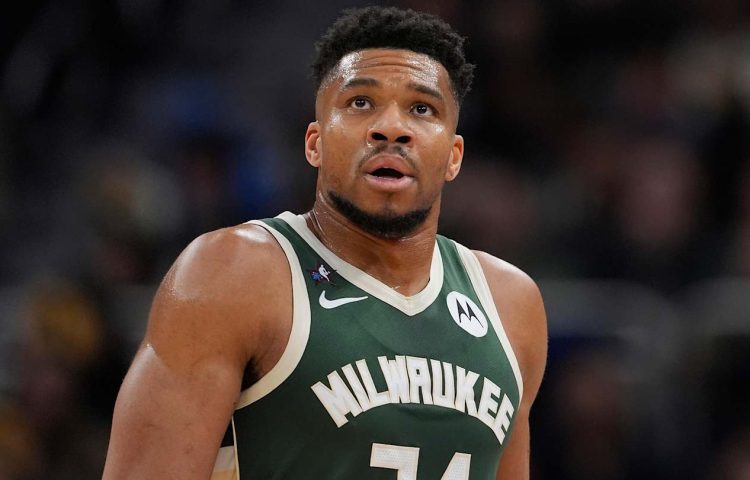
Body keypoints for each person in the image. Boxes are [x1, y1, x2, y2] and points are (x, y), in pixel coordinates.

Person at [102, 6, 547, 479]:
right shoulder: (233, 274)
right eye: (360, 102)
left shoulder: (510, 304)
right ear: (314, 143)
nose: (391, 127)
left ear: (454, 156)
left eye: (422, 108)